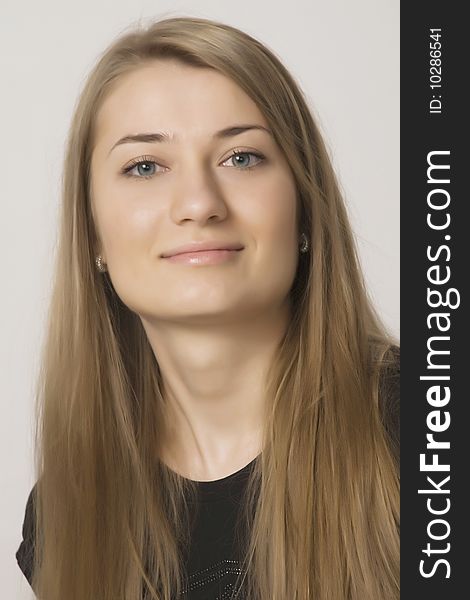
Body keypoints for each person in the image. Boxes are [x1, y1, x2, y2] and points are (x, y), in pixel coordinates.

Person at [15, 16, 399, 600]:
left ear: (304, 208)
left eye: (241, 158)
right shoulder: (66, 512)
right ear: (91, 234)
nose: (198, 203)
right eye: (144, 167)